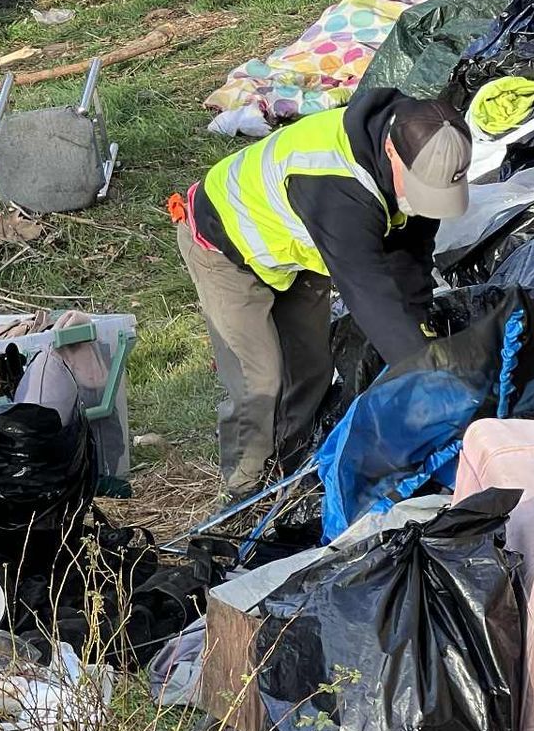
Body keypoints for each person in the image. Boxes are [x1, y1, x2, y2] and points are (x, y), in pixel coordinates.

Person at [171, 89, 472, 499]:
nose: (422, 204)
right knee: (260, 379)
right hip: (224, 246)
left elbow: (410, 253)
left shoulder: (419, 142)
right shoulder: (337, 187)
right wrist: (428, 375)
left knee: (311, 368)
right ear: (390, 151)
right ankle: (243, 490)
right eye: (419, 190)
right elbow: (371, 296)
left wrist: (422, 328)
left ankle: (288, 471)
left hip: (297, 248)